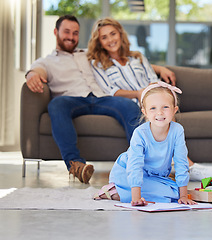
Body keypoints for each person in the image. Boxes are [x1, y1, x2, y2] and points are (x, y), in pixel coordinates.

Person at [24, 15, 175, 184]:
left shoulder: (87, 54)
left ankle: (148, 166)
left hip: (101, 98)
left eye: (75, 33)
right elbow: (37, 70)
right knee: (56, 105)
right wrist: (32, 74)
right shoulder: (47, 61)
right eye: (66, 32)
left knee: (128, 106)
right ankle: (76, 165)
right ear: (55, 32)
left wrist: (160, 68)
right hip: (71, 100)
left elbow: (123, 59)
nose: (71, 36)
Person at [86, 17, 212, 181]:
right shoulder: (98, 64)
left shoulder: (137, 57)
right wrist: (138, 94)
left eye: (112, 34)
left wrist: (155, 96)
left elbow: (152, 79)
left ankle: (182, 166)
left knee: (164, 111)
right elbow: (110, 90)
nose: (110, 40)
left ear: (120, 34)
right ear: (99, 42)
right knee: (149, 114)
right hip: (130, 104)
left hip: (152, 99)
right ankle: (187, 167)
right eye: (104, 37)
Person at [94, 82, 196, 205]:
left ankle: (123, 192)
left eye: (165, 107)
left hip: (154, 176)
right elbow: (135, 165)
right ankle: (114, 191)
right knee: (165, 194)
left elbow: (181, 162)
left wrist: (183, 196)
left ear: (174, 110)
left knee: (176, 193)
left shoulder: (177, 130)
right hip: (127, 172)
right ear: (145, 112)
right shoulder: (140, 133)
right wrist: (136, 198)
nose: (159, 113)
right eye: (153, 108)